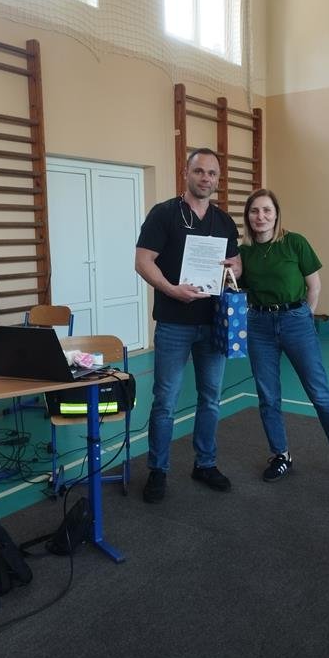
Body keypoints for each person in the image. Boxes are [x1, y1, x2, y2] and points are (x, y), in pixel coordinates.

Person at [135, 148, 241, 502]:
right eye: (199, 171)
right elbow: (143, 261)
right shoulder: (163, 214)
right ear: (186, 173)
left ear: (218, 179)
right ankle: (158, 470)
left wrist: (233, 269)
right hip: (173, 323)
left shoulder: (224, 221)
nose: (205, 178)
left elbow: (237, 265)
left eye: (212, 173)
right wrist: (171, 289)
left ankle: (205, 464)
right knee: (165, 400)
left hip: (213, 324)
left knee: (211, 399)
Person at [239, 188, 329, 483]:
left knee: (319, 392)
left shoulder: (294, 243)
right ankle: (281, 454)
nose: (260, 216)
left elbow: (313, 285)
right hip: (259, 325)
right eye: (254, 211)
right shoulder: (243, 253)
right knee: (268, 396)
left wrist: (304, 316)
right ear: (248, 216)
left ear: (276, 214)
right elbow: (234, 285)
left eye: (267, 210)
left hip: (296, 321)